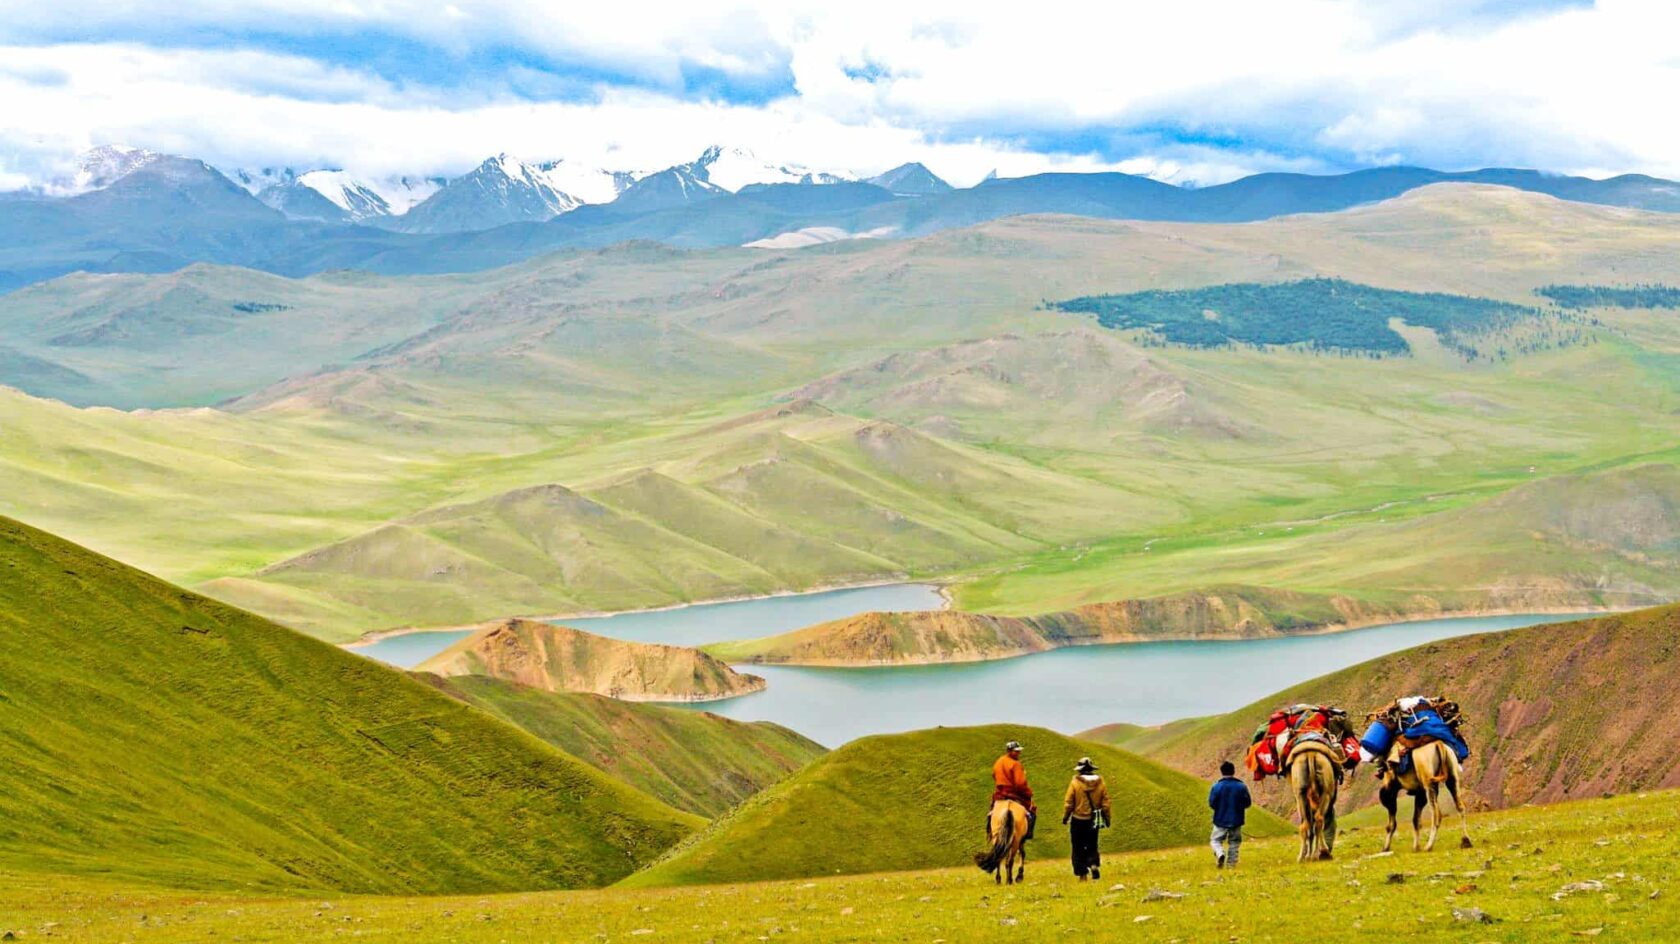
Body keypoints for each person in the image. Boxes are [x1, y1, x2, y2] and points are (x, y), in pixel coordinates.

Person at [1062, 756, 1111, 880]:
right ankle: (1093, 864)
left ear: (1079, 770)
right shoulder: (1101, 783)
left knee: (1077, 846)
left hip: (1078, 819)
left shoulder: (1075, 783)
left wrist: (1066, 816)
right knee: (1092, 844)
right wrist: (1107, 818)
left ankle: (1082, 874)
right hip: (1093, 820)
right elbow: (1106, 803)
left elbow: (1069, 802)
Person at [1208, 760, 1252, 869]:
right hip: (1236, 820)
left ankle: (1220, 853)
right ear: (1234, 771)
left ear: (1221, 772)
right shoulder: (1242, 786)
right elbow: (1247, 803)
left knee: (1215, 840)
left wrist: (1220, 810)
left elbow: (1212, 803)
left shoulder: (1216, 786)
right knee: (1234, 843)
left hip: (1220, 820)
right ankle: (1231, 866)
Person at [991, 740, 1036, 840]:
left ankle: (990, 831)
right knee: (1032, 809)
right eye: (1016, 751)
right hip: (1013, 793)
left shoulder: (999, 761)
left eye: (1019, 751)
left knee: (992, 810)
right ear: (1009, 751)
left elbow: (994, 774)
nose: (1019, 753)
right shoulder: (1016, 764)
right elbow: (1020, 784)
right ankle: (1028, 834)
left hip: (1000, 793)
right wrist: (1029, 793)